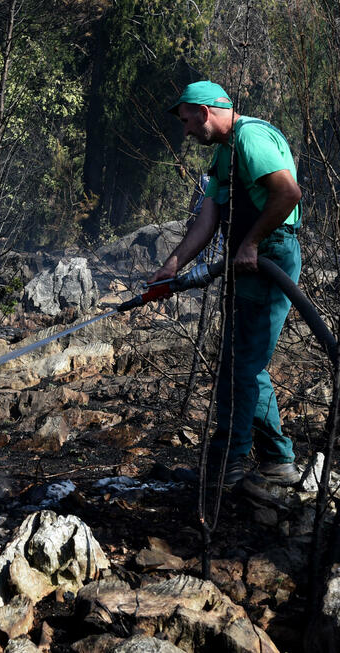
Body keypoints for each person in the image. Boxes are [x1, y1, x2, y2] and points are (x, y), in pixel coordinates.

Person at [150, 80, 303, 487]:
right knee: (247, 364)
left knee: (241, 367)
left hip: (270, 256)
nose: (185, 131)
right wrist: (174, 263)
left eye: (186, 121)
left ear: (204, 112)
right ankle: (277, 461)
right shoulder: (223, 154)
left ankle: (226, 468)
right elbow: (208, 218)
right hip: (248, 260)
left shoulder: (250, 136)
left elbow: (288, 193)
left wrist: (251, 244)